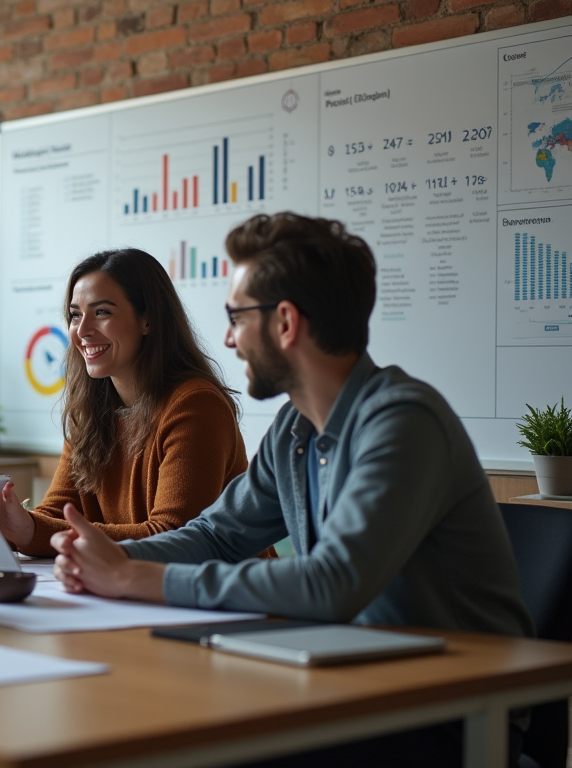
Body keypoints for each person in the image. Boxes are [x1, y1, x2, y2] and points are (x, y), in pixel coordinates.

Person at [49, 213, 532, 767]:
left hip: (450, 710)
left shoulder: (402, 421)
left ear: (285, 323)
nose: (228, 338)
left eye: (236, 317)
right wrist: (108, 559)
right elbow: (215, 533)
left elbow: (333, 583)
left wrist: (136, 575)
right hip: (354, 678)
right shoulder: (296, 430)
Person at [0, 248, 269, 559]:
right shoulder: (91, 411)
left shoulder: (196, 405)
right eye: (75, 315)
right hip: (140, 593)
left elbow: (174, 538)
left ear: (147, 320)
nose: (82, 331)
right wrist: (9, 525)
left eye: (102, 312)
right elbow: (56, 513)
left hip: (229, 600)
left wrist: (32, 530)